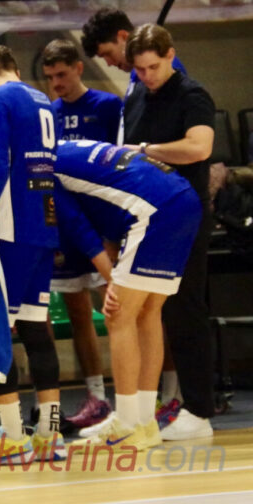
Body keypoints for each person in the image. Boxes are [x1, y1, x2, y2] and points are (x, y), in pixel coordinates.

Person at [54, 139, 202, 451]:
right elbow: (109, 200)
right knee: (149, 314)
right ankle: (144, 422)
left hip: (152, 210)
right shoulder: (67, 147)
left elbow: (78, 226)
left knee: (118, 315)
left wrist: (111, 279)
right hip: (184, 199)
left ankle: (126, 424)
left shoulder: (40, 168)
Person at [0, 45, 66, 466]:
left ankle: (13, 437)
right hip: (44, 225)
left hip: (10, 230)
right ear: (16, 68)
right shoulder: (42, 99)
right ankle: (50, 436)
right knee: (37, 329)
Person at [122, 24, 216, 441]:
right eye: (140, 69)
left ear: (170, 55)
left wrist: (146, 151)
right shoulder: (136, 97)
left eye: (153, 67)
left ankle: (199, 410)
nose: (147, 76)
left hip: (186, 215)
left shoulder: (192, 95)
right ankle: (140, 410)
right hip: (147, 218)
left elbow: (199, 148)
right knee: (146, 313)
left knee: (185, 310)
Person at [41, 38, 121, 428]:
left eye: (61, 74)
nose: (56, 83)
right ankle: (97, 399)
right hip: (67, 223)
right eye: (49, 77)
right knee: (78, 314)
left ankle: (145, 396)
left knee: (122, 309)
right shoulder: (49, 113)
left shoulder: (108, 105)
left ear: (78, 68)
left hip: (105, 221)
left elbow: (124, 166)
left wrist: (114, 229)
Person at [80, 7, 186, 145]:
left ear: (123, 36)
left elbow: (168, 131)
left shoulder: (166, 71)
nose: (109, 63)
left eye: (108, 53)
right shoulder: (137, 75)